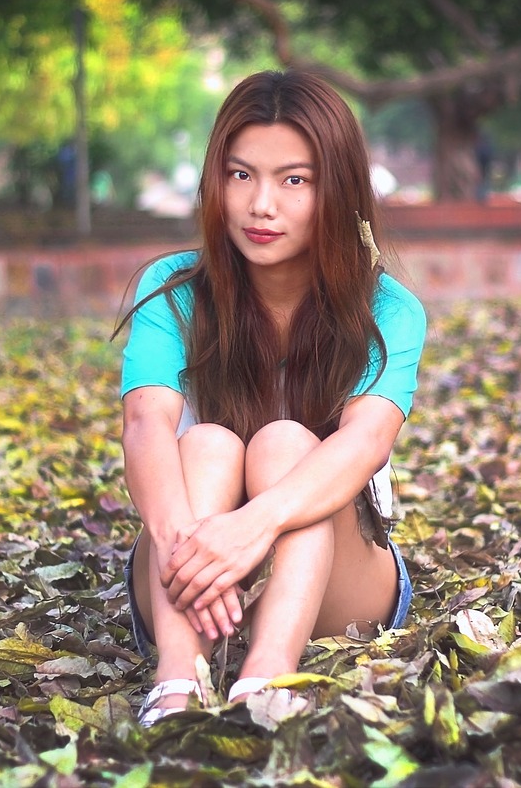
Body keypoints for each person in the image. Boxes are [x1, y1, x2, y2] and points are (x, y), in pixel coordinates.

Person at [114, 70, 426, 726]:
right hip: (186, 586)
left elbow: (364, 443)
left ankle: (267, 679)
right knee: (204, 444)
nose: (261, 205)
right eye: (240, 174)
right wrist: (189, 549)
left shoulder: (388, 310)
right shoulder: (171, 290)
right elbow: (145, 423)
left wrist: (250, 527)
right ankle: (176, 682)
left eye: (294, 180)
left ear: (338, 190)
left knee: (289, 443)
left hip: (340, 586)